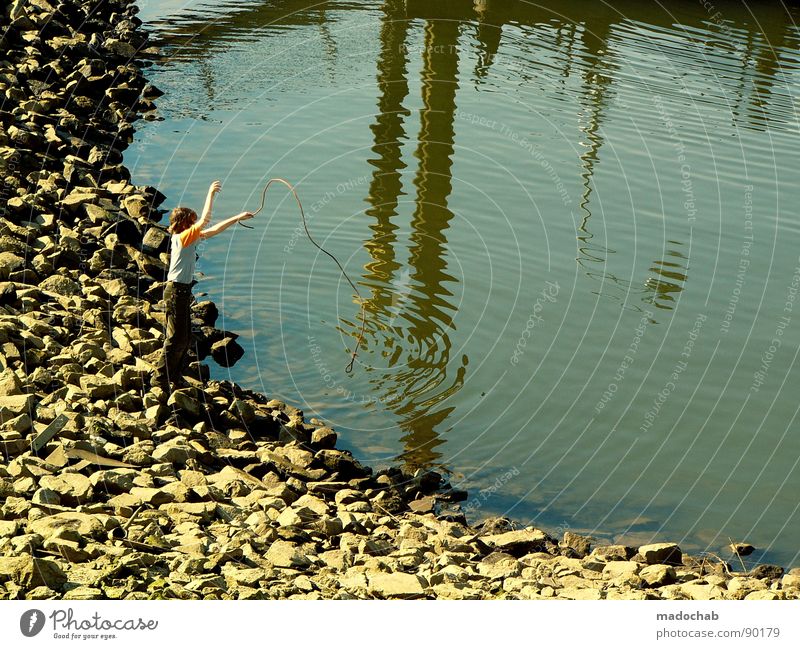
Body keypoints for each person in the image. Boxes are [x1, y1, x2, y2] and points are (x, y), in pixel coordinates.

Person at [151, 180, 254, 393]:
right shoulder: (182, 237)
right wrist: (210, 194)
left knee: (186, 337)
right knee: (175, 338)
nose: (197, 223)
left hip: (182, 291)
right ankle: (159, 378)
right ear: (185, 223)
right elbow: (207, 220)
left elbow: (213, 229)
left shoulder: (189, 238)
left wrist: (236, 218)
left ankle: (176, 377)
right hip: (176, 291)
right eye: (193, 221)